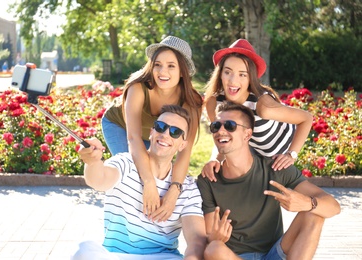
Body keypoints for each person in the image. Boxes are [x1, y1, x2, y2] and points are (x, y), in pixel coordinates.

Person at [197, 101, 341, 260]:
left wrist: (307, 203)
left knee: (314, 214)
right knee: (213, 249)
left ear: (247, 134)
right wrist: (214, 238)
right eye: (215, 126)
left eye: (230, 125)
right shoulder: (208, 179)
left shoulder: (275, 168)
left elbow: (333, 207)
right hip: (235, 256)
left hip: (275, 253)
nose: (220, 131)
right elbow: (210, 234)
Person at [73, 105, 207, 260]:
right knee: (84, 251)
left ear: (183, 144)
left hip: (164, 257)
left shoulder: (187, 187)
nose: (165, 134)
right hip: (117, 256)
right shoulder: (125, 162)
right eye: (160, 127)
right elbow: (99, 180)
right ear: (151, 132)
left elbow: (196, 239)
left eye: (175, 132)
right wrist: (93, 162)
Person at [102, 36, 203, 221]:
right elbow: (133, 138)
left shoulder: (192, 102)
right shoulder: (139, 87)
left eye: (171, 66)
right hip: (121, 127)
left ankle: (152, 226)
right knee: (135, 174)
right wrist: (148, 182)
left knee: (158, 176)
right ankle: (125, 222)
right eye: (158, 64)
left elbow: (184, 151)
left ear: (183, 71)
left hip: (156, 133)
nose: (162, 71)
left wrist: (174, 190)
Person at [202, 39, 313, 179]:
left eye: (242, 74)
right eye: (228, 72)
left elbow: (306, 118)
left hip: (280, 156)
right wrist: (215, 159)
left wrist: (291, 154)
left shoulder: (263, 106)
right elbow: (220, 136)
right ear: (220, 73)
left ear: (251, 78)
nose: (232, 81)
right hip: (251, 153)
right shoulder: (214, 103)